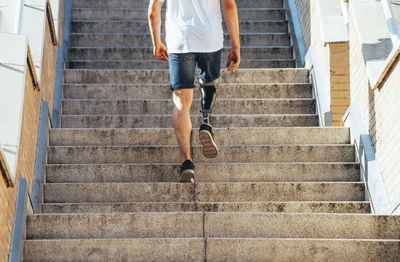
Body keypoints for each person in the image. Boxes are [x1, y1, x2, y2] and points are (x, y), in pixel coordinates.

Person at [148, 0, 240, 182]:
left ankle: (187, 162)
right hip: (210, 37)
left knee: (181, 103)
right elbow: (229, 5)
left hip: (180, 39)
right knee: (209, 83)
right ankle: (206, 122)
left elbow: (153, 10)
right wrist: (236, 46)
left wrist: (156, 42)